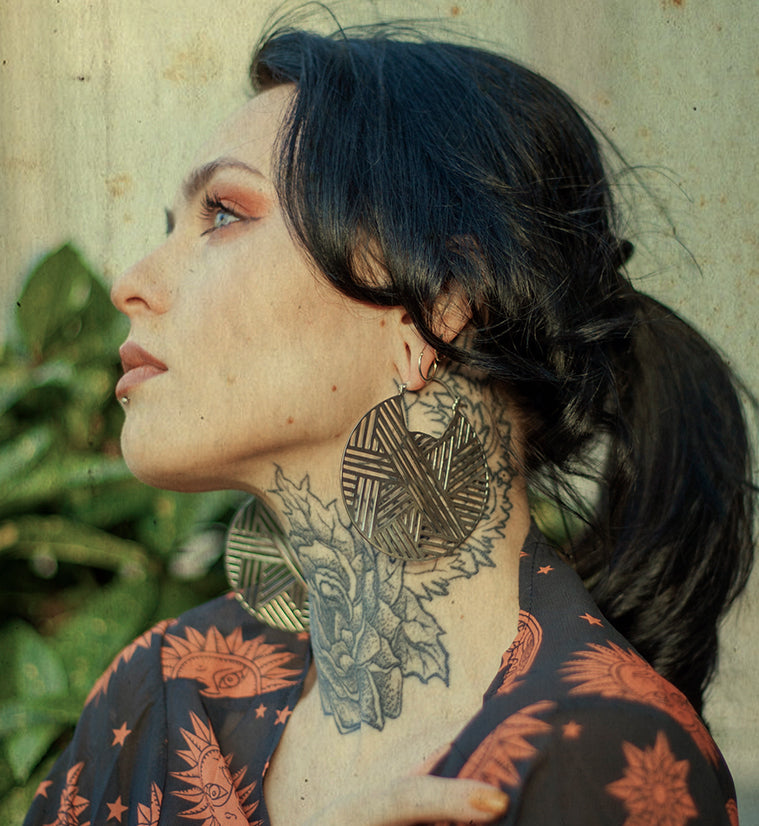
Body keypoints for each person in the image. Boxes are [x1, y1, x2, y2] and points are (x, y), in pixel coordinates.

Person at [24, 20, 754, 826]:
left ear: (439, 302)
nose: (131, 282)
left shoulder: (597, 756)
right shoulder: (161, 693)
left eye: (224, 213)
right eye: (171, 225)